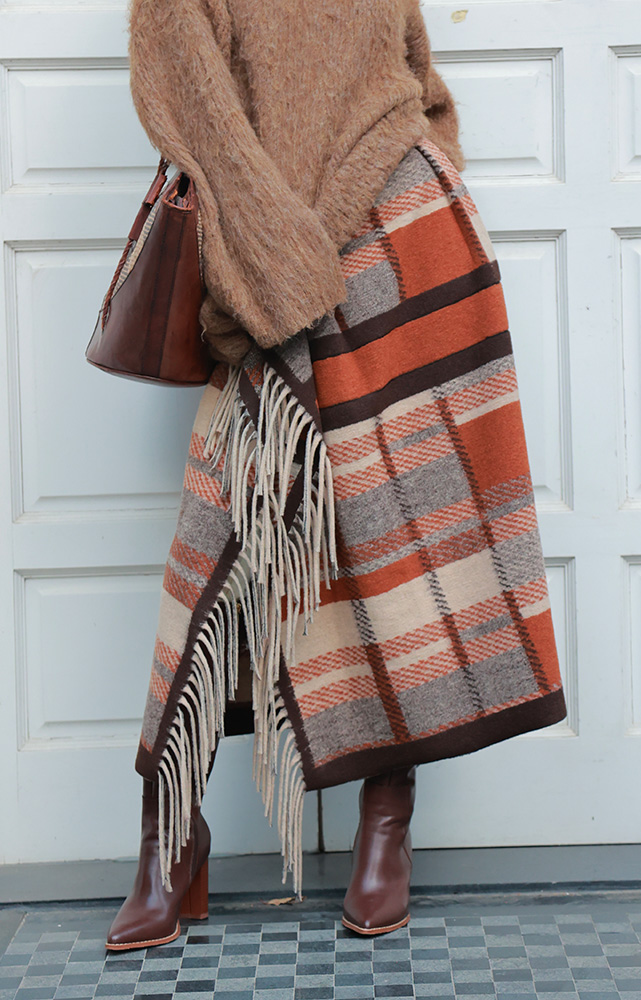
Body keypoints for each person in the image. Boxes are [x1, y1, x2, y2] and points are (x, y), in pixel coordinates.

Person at [105, 0, 567, 951]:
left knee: (404, 544)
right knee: (220, 547)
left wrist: (430, 185)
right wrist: (281, 275)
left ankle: (387, 821)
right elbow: (197, 122)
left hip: (408, 244)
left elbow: (419, 85)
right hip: (271, 270)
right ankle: (169, 833)